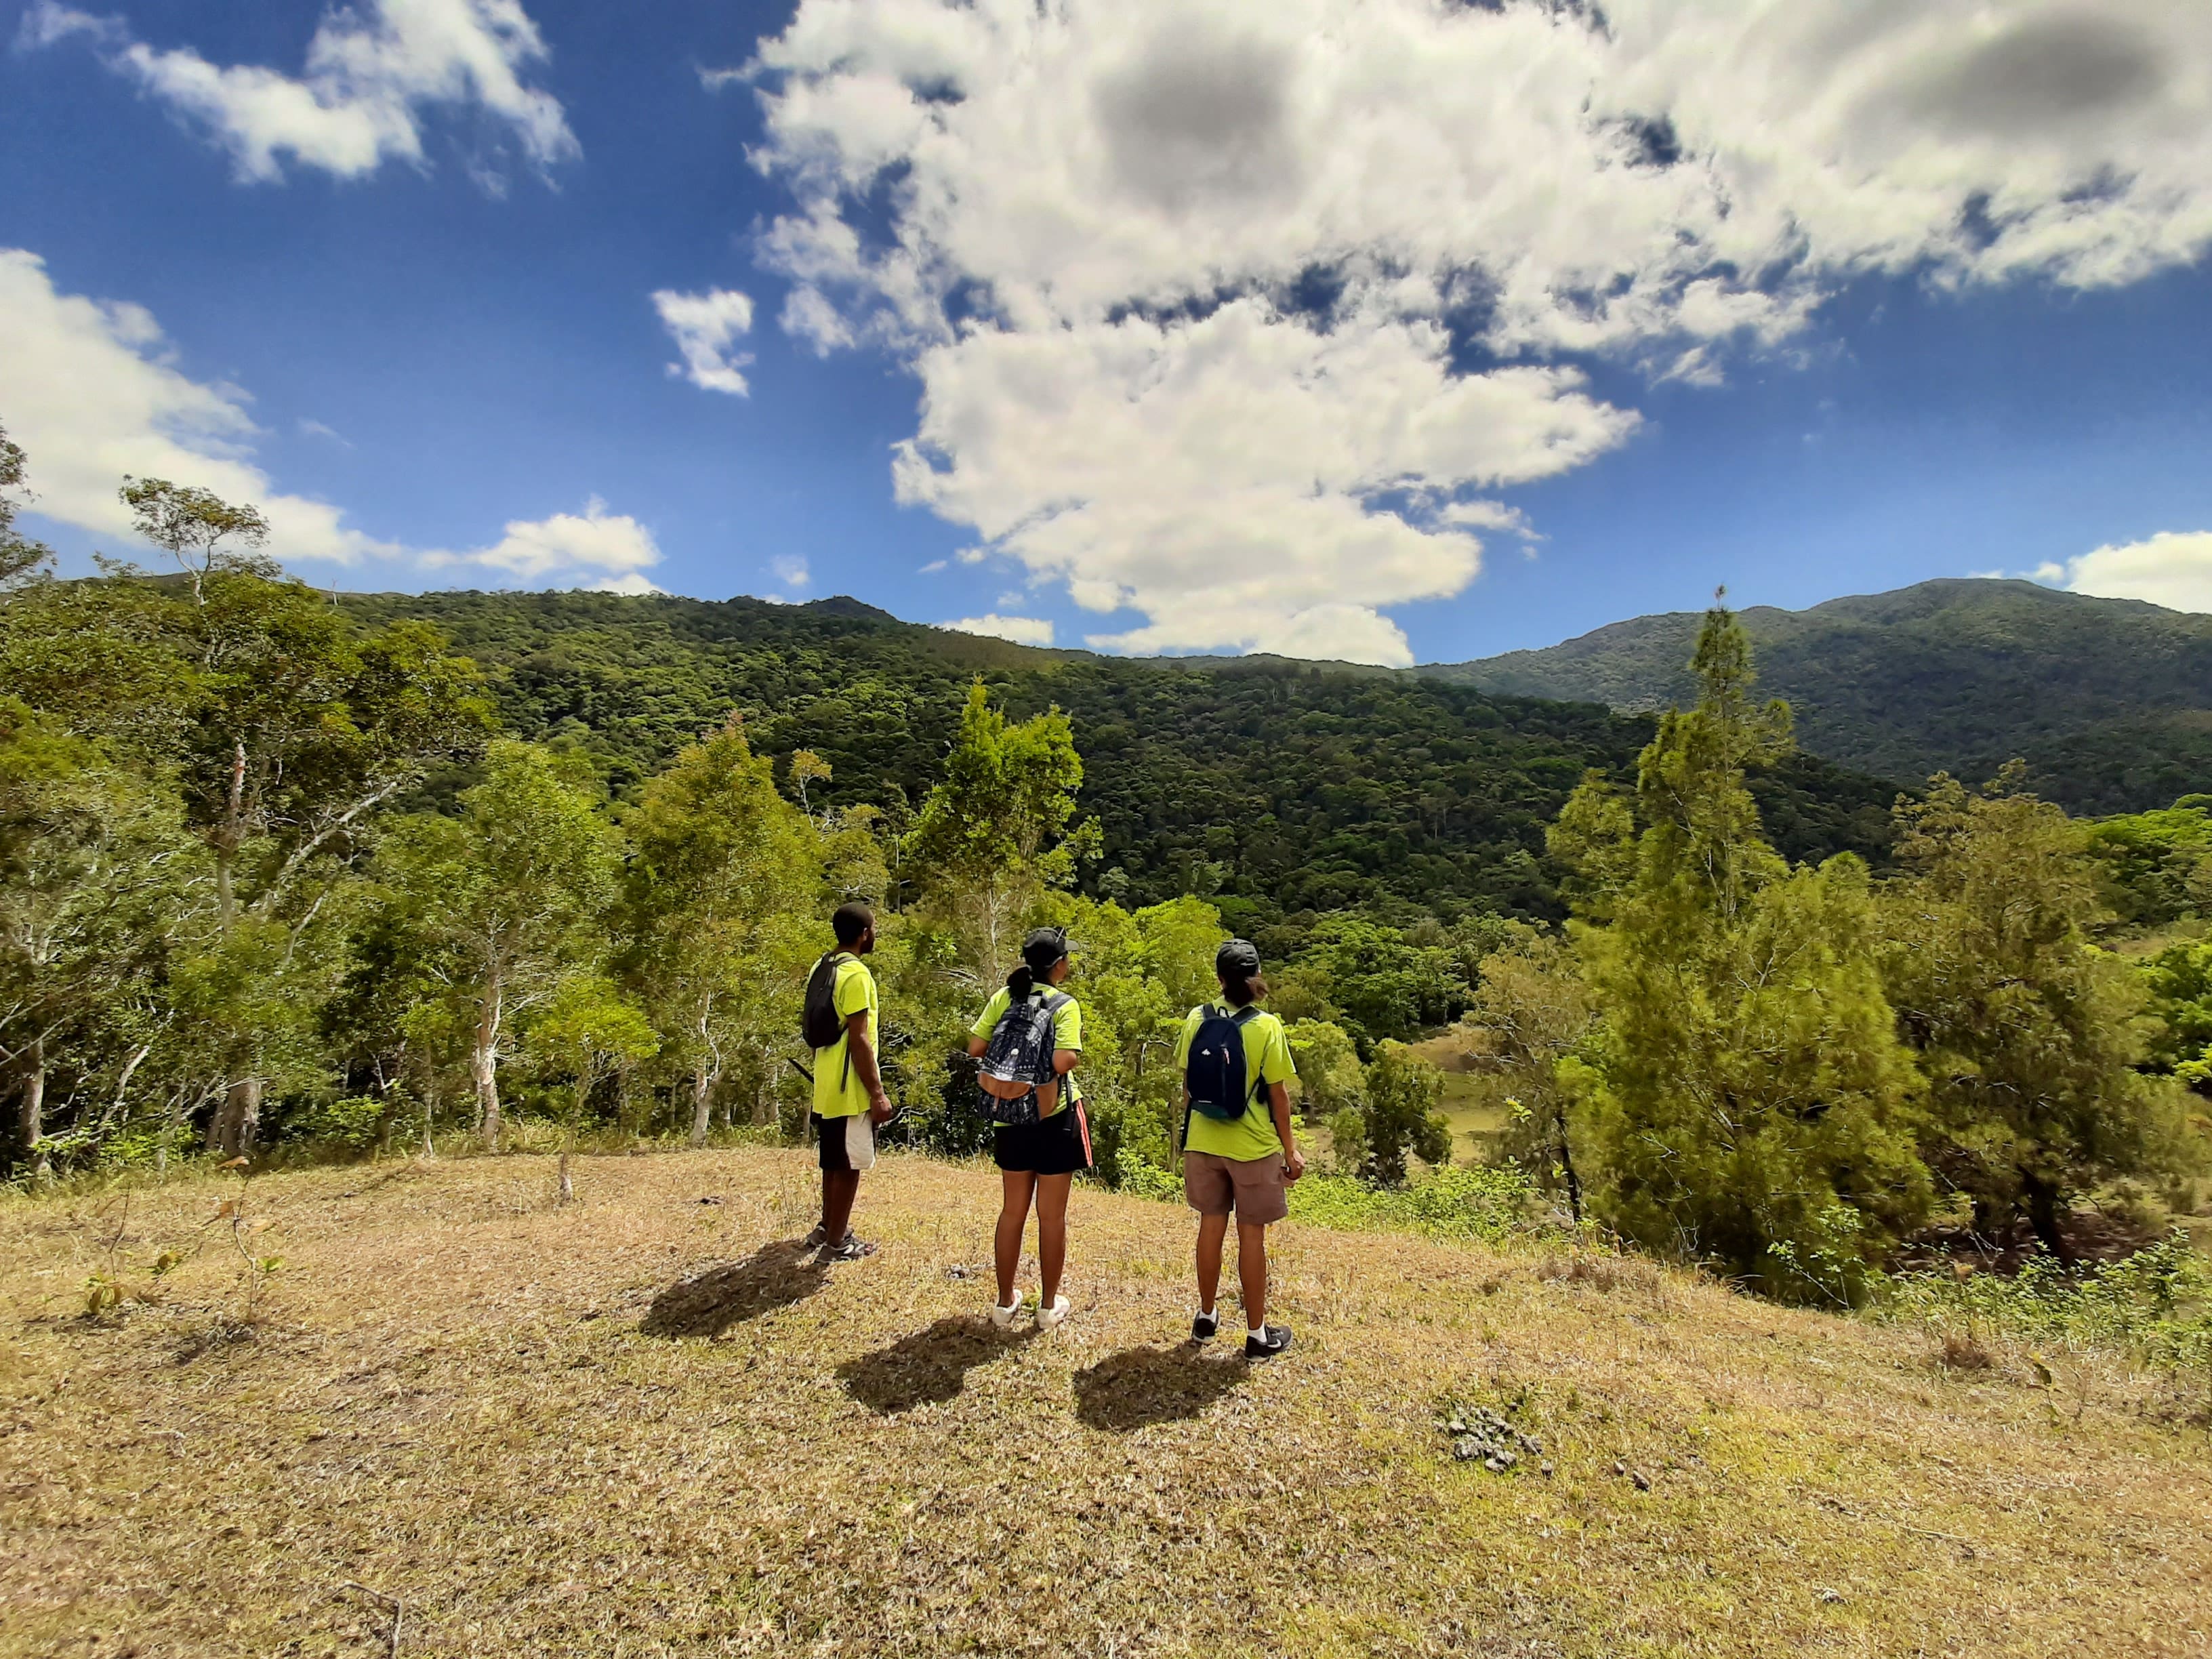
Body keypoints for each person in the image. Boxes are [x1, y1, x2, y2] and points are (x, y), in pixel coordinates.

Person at [1176, 938, 1305, 1359]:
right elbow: (1279, 1095)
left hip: (1202, 1141)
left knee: (1210, 1228)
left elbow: (1188, 1085)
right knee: (1252, 1237)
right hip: (1252, 1147)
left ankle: (1206, 1317)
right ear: (1256, 978)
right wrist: (1291, 1151)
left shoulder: (1198, 1018)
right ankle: (1256, 1335)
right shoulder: (1266, 1026)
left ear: (1219, 979)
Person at [966, 928, 1088, 1330]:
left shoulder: (1005, 997)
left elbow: (976, 1048)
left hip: (1010, 1115)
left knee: (1012, 1211)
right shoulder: (1064, 1005)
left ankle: (1004, 1303)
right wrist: (1038, 1064)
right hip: (1055, 1118)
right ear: (1058, 966)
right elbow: (1066, 1059)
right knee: (1051, 1216)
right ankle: (1048, 1306)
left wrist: (1014, 1067)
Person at [806, 901, 892, 1261]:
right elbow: (860, 1039)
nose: (875, 933)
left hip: (826, 1083)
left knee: (833, 1160)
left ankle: (828, 1226)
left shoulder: (823, 966)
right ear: (863, 934)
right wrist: (877, 1093)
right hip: (849, 1087)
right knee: (851, 1164)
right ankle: (837, 1244)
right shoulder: (856, 975)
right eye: (873, 928)